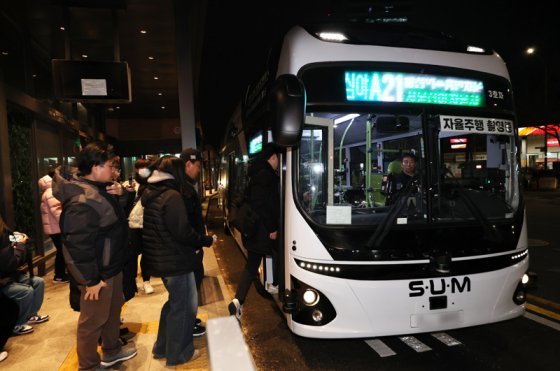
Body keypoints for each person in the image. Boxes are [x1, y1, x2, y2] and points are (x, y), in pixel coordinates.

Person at [53, 142, 137, 370]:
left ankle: (111, 351)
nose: (114, 171)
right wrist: (89, 280)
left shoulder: (99, 188)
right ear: (95, 167)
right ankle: (89, 365)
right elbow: (76, 246)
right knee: (92, 322)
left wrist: (122, 195)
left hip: (111, 266)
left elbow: (113, 218)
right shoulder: (82, 199)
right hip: (98, 274)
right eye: (110, 166)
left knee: (112, 312)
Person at [141, 156, 214, 366]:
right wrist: (205, 240)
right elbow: (183, 232)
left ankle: (162, 347)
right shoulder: (172, 196)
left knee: (174, 304)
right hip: (176, 260)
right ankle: (179, 354)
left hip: (163, 259)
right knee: (184, 308)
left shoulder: (154, 193)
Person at [228, 143, 280, 319]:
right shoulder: (267, 176)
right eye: (278, 159)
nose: (279, 162)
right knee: (280, 250)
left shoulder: (255, 173)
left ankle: (237, 302)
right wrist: (272, 228)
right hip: (262, 229)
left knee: (251, 266)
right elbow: (264, 205)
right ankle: (275, 283)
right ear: (272, 157)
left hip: (254, 229)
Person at [179, 148, 216, 336]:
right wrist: (200, 242)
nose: (199, 170)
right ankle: (188, 324)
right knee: (190, 289)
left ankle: (189, 320)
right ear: (188, 164)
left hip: (191, 248)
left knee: (192, 286)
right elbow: (186, 225)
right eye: (198, 166)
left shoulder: (184, 187)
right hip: (189, 249)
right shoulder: (183, 190)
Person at [0, 215, 49, 336]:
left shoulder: (5, 233)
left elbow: (14, 261)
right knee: (26, 291)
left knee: (38, 282)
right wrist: (20, 244)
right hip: (4, 280)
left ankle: (31, 316)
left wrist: (17, 243)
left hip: (9, 276)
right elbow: (11, 263)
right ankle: (16, 325)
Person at [124, 158, 154, 295]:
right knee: (132, 254)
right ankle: (133, 280)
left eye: (145, 168)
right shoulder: (128, 184)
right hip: (132, 224)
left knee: (147, 254)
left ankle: (146, 281)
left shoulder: (151, 184)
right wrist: (127, 193)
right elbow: (125, 205)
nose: (142, 170)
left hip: (146, 223)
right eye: (140, 168)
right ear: (136, 169)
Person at [38, 173, 68, 283]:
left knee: (61, 251)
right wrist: (67, 224)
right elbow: (57, 212)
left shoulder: (47, 192)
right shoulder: (51, 193)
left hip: (53, 228)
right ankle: (59, 276)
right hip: (57, 228)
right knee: (62, 251)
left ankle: (60, 274)